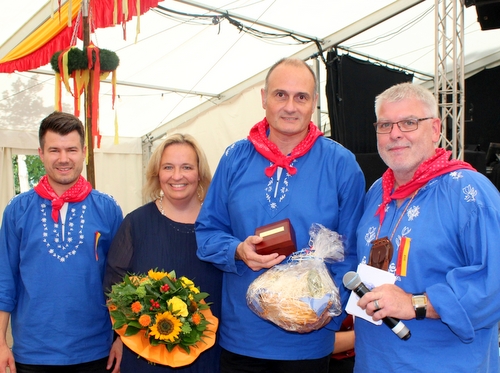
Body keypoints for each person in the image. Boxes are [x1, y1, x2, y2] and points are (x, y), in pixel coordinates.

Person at [195, 57, 365, 373]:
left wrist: (324, 315)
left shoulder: (341, 165)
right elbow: (207, 232)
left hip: (308, 342)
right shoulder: (235, 158)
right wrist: (237, 250)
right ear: (263, 98)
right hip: (242, 337)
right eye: (280, 95)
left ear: (314, 102)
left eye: (301, 97)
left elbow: (353, 252)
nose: (290, 106)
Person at [353, 82, 500, 372]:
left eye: (408, 122)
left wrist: (416, 303)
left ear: (435, 129)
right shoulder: (376, 194)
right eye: (385, 125)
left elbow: (494, 281)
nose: (395, 134)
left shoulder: (468, 192)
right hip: (375, 362)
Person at [0, 111, 123, 373]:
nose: (64, 159)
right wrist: (0, 343)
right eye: (54, 150)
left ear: (84, 152)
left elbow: (122, 282)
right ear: (41, 153)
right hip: (33, 352)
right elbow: (5, 281)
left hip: (95, 350)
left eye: (71, 150)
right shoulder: (17, 210)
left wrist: (123, 340)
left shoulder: (108, 209)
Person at [103, 133, 222, 373]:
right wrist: (120, 337)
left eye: (186, 167)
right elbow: (113, 287)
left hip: (208, 358)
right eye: (168, 167)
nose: (177, 176)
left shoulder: (219, 223)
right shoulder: (136, 223)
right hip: (145, 358)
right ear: (157, 173)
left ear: (200, 173)